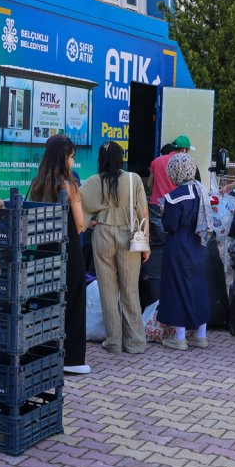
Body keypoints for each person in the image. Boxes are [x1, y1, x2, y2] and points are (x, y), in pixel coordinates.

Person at [27, 135, 89, 374]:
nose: (73, 161)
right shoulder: (69, 184)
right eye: (72, 156)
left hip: (44, 247)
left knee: (47, 299)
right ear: (64, 157)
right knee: (73, 299)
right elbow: (80, 223)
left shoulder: (37, 183)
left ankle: (45, 352)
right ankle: (72, 358)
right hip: (68, 248)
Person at [81, 141, 150, 354]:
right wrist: (146, 244)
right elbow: (143, 214)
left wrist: (90, 222)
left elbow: (79, 204)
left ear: (101, 159)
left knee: (108, 290)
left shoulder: (93, 181)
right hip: (129, 234)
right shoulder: (133, 179)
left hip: (102, 234)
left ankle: (113, 342)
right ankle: (135, 342)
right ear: (121, 158)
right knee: (130, 289)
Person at [157, 153, 213, 351]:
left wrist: (164, 214)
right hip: (198, 245)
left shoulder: (174, 196)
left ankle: (179, 337)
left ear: (174, 171)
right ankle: (201, 335)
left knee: (176, 287)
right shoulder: (202, 190)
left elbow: (170, 225)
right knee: (198, 287)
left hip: (179, 245)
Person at [149, 136, 189, 205]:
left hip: (155, 204)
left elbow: (149, 184)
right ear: (184, 149)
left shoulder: (156, 161)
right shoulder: (183, 163)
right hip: (173, 204)